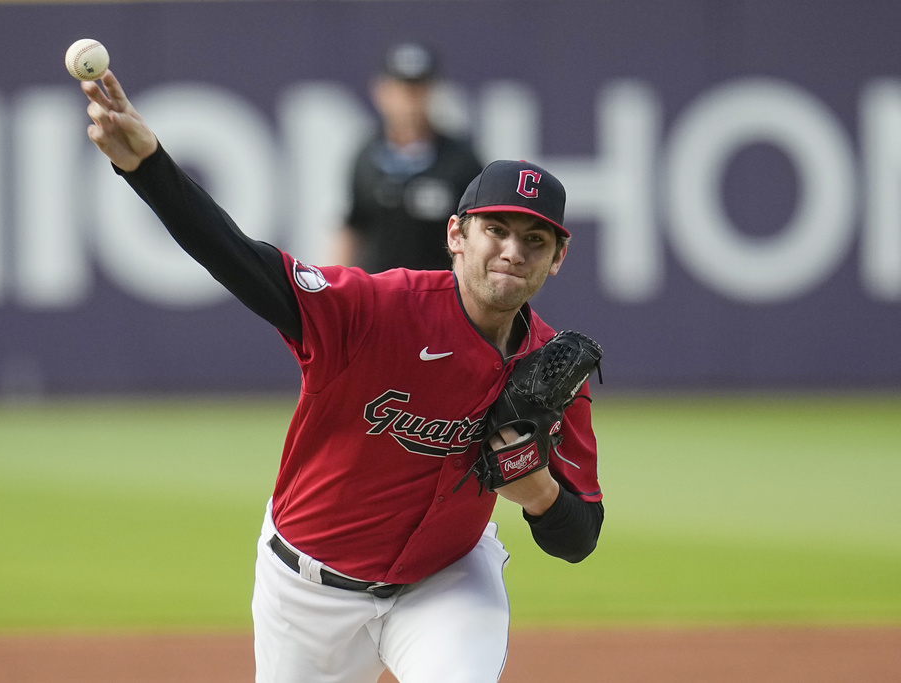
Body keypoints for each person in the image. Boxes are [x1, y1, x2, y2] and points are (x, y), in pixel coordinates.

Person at [81, 70, 604, 683]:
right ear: (456, 236)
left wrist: (537, 490)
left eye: (535, 239)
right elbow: (240, 260)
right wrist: (149, 169)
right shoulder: (372, 311)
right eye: (496, 230)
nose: (514, 250)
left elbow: (579, 537)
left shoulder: (552, 371)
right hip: (305, 590)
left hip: (446, 580)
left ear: (558, 258)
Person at [333, 42, 484, 272]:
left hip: (441, 295)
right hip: (379, 295)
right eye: (401, 89)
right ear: (381, 92)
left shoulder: (461, 161)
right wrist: (333, 287)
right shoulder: (367, 158)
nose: (409, 100)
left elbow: (480, 233)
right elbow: (353, 227)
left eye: (418, 89)